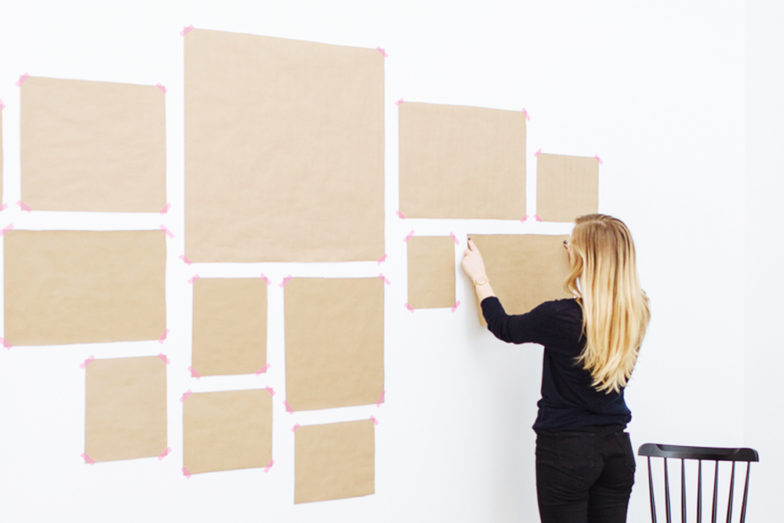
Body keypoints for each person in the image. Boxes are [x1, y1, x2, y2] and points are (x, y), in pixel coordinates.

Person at [461, 213, 650, 523]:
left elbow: (504, 327)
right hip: (616, 452)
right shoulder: (638, 310)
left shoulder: (561, 317)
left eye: (569, 245)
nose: (566, 251)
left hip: (567, 451)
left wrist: (480, 277)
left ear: (582, 257)